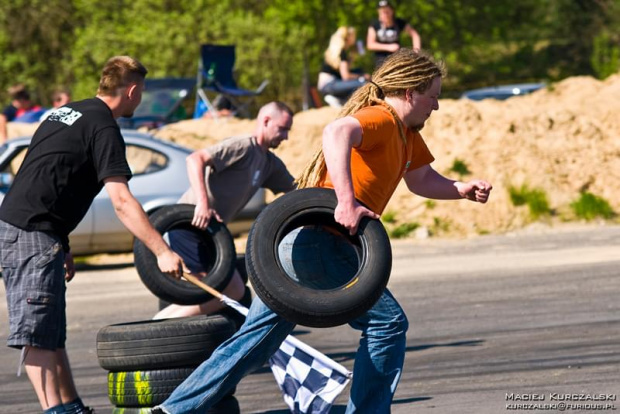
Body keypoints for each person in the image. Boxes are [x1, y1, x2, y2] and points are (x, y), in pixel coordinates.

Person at [152, 48, 492, 413]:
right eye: (433, 97)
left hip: (294, 246)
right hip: (318, 244)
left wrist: (460, 188)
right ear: (410, 93)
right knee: (388, 324)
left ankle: (174, 409)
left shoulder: (407, 135)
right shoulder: (382, 117)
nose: (436, 107)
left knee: (255, 341)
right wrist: (345, 201)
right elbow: (336, 131)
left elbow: (421, 179)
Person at [0, 56, 185, 414]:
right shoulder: (104, 127)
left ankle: (71, 406)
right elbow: (121, 201)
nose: (140, 100)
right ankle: (56, 411)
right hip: (29, 232)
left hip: (30, 228)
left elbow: (47, 172)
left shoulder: (66, 112)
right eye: (141, 93)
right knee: (36, 333)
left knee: (51, 332)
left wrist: (62, 243)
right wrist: (161, 250)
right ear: (131, 91)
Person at [153, 101, 296, 320]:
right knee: (204, 291)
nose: (286, 137)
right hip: (189, 224)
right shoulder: (242, 146)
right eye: (283, 128)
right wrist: (203, 203)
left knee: (235, 291)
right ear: (266, 121)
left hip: (212, 232)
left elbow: (298, 190)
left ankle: (164, 322)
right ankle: (159, 326)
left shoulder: (269, 163)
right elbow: (195, 159)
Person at [317, 26, 370, 108]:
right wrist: (362, 76)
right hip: (330, 85)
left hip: (326, 85)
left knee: (359, 72)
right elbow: (346, 76)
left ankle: (339, 98)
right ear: (348, 37)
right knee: (363, 82)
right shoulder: (342, 52)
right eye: (353, 36)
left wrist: (352, 58)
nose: (355, 38)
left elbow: (342, 72)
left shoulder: (334, 52)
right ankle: (338, 98)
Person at [367, 0, 422, 68]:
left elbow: (415, 35)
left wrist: (416, 52)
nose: (385, 14)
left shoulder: (399, 22)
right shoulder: (374, 24)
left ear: (392, 11)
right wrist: (389, 47)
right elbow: (370, 45)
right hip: (381, 60)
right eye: (383, 12)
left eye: (387, 12)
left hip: (397, 58)